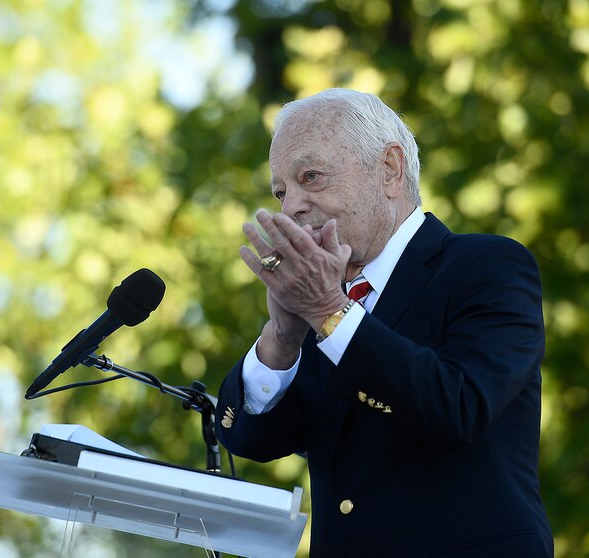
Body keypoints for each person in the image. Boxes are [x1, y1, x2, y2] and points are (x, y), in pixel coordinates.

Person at [215, 88, 553, 557]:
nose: (290, 206)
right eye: (280, 191)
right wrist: (283, 336)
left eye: (310, 177)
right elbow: (251, 439)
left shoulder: (487, 265)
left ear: (390, 170)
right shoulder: (324, 299)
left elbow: (459, 408)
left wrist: (328, 311)